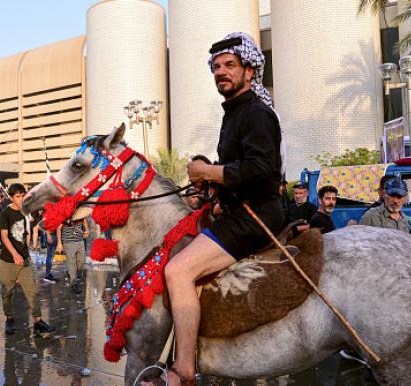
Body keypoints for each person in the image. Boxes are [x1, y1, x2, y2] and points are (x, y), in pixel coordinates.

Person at [145, 32, 285, 386]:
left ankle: (184, 369)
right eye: (217, 67)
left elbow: (261, 170)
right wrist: (215, 189)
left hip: (255, 218)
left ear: (250, 71)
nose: (221, 72)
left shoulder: (255, 113)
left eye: (230, 65)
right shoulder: (235, 112)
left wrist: (208, 171)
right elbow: (239, 172)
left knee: (178, 271)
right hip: (237, 211)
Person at [0, 183, 55, 336]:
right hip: (8, 261)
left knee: (33, 292)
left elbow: (36, 224)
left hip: (25, 260)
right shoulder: (5, 213)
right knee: (7, 292)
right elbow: (4, 236)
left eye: (23, 195)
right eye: (17, 196)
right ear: (11, 197)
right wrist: (15, 254)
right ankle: (9, 319)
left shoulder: (28, 212)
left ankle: (38, 322)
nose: (21, 198)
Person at [56, 218, 89, 293]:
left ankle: (75, 277)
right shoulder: (64, 214)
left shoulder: (79, 211)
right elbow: (58, 228)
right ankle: (74, 284)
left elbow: (84, 219)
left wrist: (87, 229)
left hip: (80, 241)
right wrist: (59, 243)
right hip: (68, 243)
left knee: (82, 262)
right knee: (72, 264)